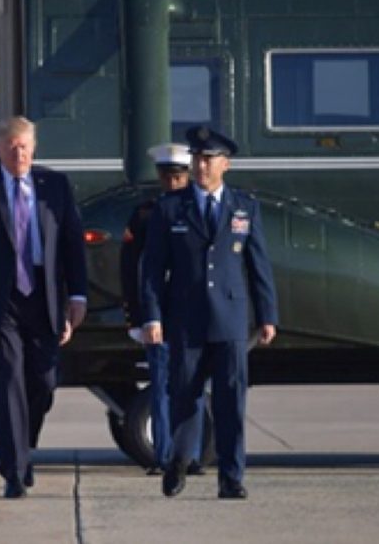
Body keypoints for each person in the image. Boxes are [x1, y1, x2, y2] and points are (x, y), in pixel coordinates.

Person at [0, 116, 88, 498]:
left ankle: (22, 445)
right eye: (12, 148)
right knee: (7, 378)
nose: (19, 154)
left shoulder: (55, 187)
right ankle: (14, 470)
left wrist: (77, 296)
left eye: (25, 147)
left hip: (43, 297)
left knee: (43, 380)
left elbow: (72, 244)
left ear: (34, 148)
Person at [140, 126, 278, 499]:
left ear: (225, 164)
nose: (201, 166)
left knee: (231, 400)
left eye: (209, 159)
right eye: (197, 159)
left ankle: (231, 477)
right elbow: (152, 269)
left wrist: (267, 314)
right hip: (186, 317)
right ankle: (180, 460)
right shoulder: (170, 207)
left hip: (230, 317)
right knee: (185, 394)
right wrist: (152, 316)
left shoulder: (244, 207)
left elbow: (258, 264)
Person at [119, 143, 205, 476]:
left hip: (193, 312)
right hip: (159, 314)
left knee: (193, 386)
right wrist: (136, 316)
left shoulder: (199, 211)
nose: (173, 183)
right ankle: (164, 455)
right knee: (162, 386)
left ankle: (190, 455)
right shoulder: (145, 215)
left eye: (179, 177)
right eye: (167, 177)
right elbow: (132, 270)